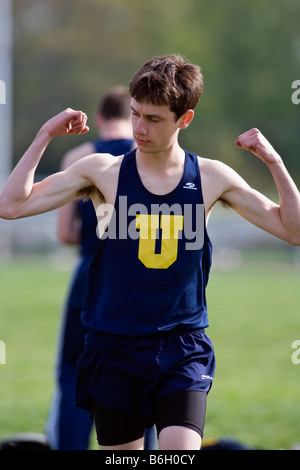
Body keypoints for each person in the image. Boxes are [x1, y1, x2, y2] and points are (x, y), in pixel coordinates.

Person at [0, 54, 299, 451]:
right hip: (114, 346)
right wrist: (45, 135)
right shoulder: (103, 171)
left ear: (184, 119)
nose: (139, 128)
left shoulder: (210, 177)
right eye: (135, 114)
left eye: (154, 119)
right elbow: (11, 205)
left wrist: (273, 161)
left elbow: (292, 229)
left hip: (183, 346)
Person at [45, 87, 140, 450]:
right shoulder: (147, 156)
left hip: (89, 273)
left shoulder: (79, 155)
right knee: (140, 375)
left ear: (99, 118)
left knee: (73, 370)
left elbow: (65, 234)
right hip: (138, 277)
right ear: (135, 117)